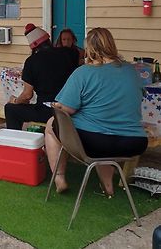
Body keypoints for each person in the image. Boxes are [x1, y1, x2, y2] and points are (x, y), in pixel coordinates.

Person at [45, 27, 148, 195]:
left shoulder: (84, 72)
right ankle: (107, 187)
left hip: (97, 141)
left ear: (90, 48)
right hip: (135, 142)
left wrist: (57, 106)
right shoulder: (131, 70)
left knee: (51, 125)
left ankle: (59, 177)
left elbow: (67, 109)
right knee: (102, 130)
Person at [4, 23, 78, 130]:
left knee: (10, 109)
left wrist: (15, 101)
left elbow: (27, 95)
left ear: (33, 46)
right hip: (69, 108)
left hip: (48, 110)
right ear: (48, 39)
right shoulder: (69, 53)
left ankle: (15, 142)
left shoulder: (31, 61)